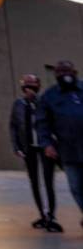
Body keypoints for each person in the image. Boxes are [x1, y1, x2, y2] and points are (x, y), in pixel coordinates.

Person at [37, 60, 83, 230]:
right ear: (56, 75)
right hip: (68, 151)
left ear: (75, 72)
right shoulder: (49, 96)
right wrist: (47, 144)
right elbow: (42, 124)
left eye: (68, 71)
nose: (65, 75)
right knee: (76, 187)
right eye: (61, 71)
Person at [10, 74, 60, 231]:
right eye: (26, 84)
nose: (29, 87)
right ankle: (42, 214)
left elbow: (52, 121)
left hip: (45, 146)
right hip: (28, 147)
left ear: (38, 85)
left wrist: (35, 101)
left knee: (48, 181)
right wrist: (16, 146)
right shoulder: (18, 104)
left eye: (32, 84)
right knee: (34, 181)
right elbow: (13, 126)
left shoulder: (44, 102)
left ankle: (51, 215)